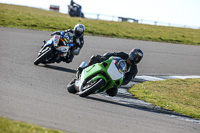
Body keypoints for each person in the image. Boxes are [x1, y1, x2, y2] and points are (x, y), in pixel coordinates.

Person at [78, 48, 143, 96]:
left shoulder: (134, 70)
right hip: (108, 68)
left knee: (113, 93)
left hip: (114, 78)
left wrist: (121, 82)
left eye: (137, 58)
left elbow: (128, 80)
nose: (134, 59)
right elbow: (111, 54)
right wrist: (104, 57)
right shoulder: (123, 55)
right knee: (97, 57)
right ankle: (85, 68)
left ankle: (98, 88)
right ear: (131, 54)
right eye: (134, 57)